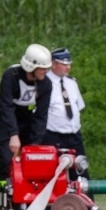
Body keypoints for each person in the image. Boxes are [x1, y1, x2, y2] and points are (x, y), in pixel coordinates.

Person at [0, 44, 53, 184]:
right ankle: (5, 191)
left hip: (27, 118)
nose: (46, 71)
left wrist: (35, 143)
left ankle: (28, 195)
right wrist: (13, 135)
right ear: (31, 66)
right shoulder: (10, 76)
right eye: (43, 68)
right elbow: (6, 106)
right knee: (6, 161)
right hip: (5, 118)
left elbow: (41, 115)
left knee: (31, 159)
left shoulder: (46, 84)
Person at [41, 47, 91, 186]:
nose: (67, 67)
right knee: (54, 174)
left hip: (74, 135)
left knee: (81, 172)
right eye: (63, 64)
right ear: (53, 64)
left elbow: (77, 107)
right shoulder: (45, 83)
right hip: (53, 136)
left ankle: (86, 205)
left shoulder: (72, 83)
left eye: (69, 64)